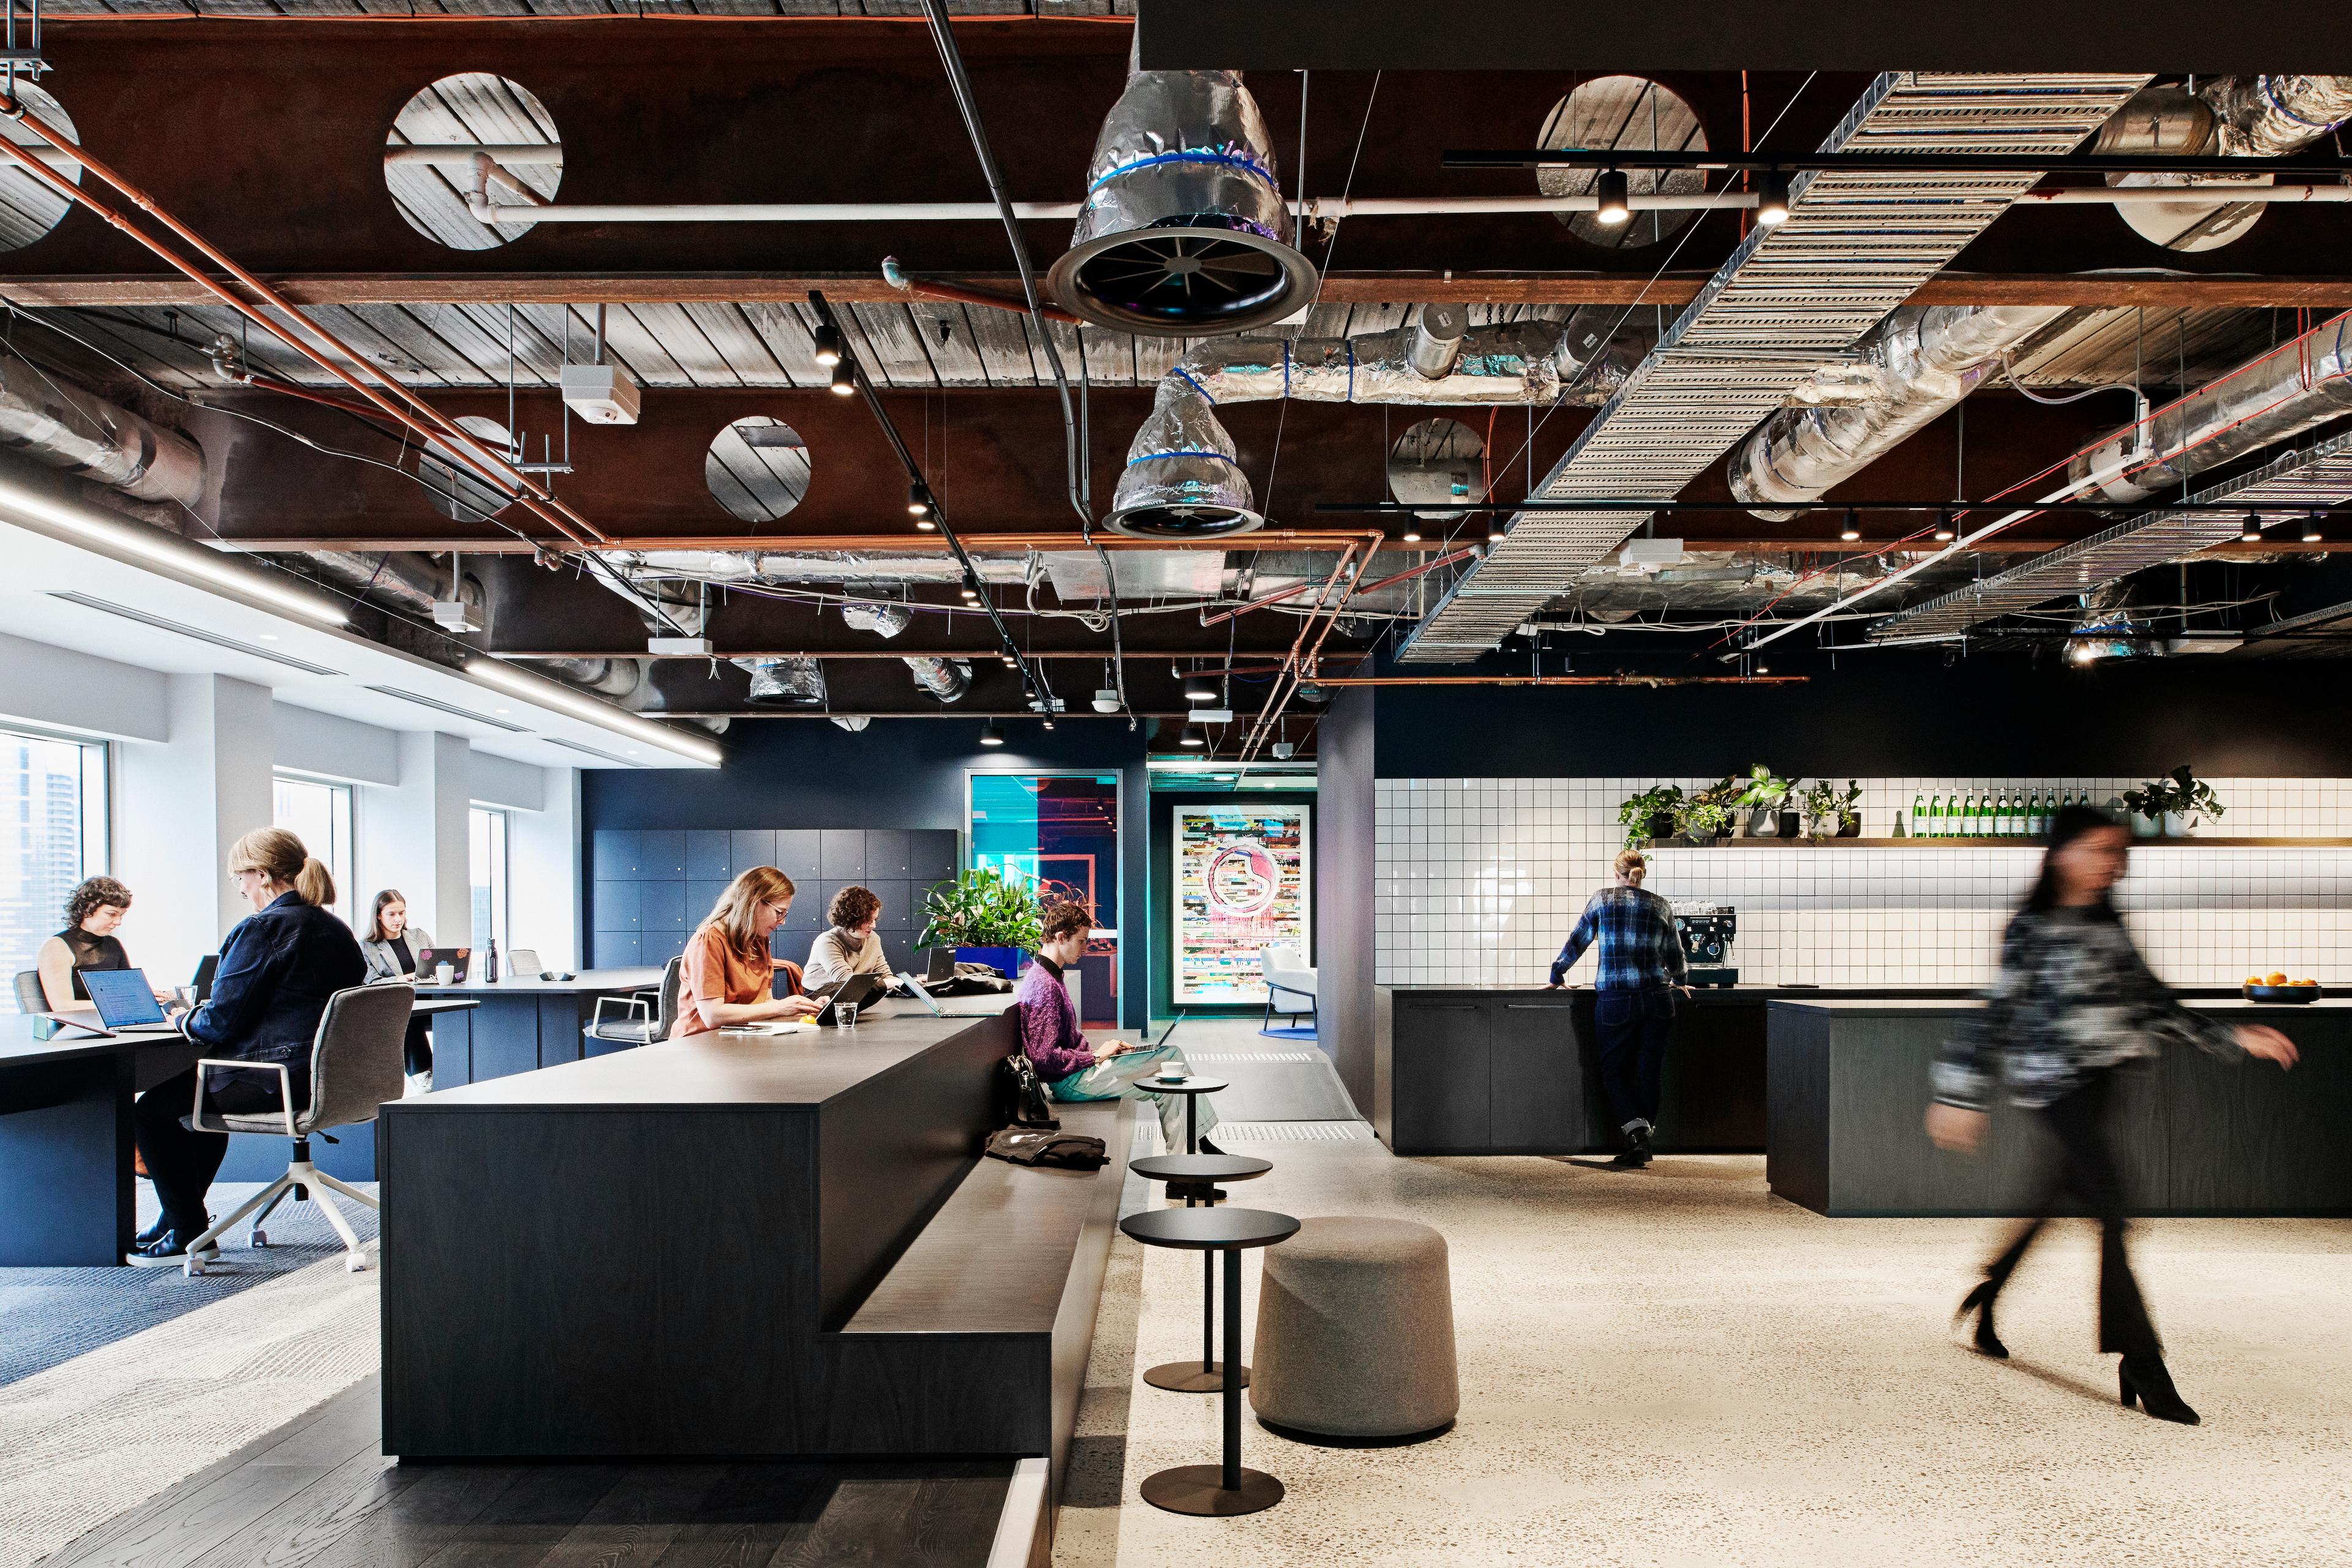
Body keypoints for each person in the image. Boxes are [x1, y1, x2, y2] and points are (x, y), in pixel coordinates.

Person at [1928, 804, 2301, 1425]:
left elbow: (2153, 1002)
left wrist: (2232, 1037)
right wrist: (1958, 1093)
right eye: (2101, 850)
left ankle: (1988, 1292)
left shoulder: (2107, 923)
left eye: (2117, 853)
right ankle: (2141, 1359)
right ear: (2062, 854)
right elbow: (1994, 1014)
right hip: (2054, 1088)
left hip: (2103, 1083)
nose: (2112, 864)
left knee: (2063, 1192)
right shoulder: (2033, 927)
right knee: (2113, 1209)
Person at [127, 828, 368, 1265]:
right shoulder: (335, 928)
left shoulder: (264, 928)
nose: (239, 888)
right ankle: (181, 1220)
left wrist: (180, 1019)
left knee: (152, 1112)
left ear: (261, 874)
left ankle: (188, 1231)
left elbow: (220, 1021)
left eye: (240, 877)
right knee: (192, 1108)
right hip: (327, 1077)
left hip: (274, 1076)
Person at [1017, 902, 1219, 1155]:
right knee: (1170, 1058)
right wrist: (1095, 1056)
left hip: (1081, 1073)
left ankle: (1188, 1158)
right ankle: (1197, 1149)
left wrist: (1102, 1053)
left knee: (1170, 1077)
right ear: (1061, 938)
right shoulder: (1044, 986)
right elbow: (1043, 1058)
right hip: (1073, 1082)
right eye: (1081, 941)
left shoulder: (1049, 977)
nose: (1086, 948)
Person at [1547, 848, 1691, 1168]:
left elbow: (1578, 941)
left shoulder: (1602, 900)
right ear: (1641, 875)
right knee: (1648, 1073)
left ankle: (1637, 1139)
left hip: (1616, 1000)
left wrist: (1558, 974)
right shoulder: (1661, 905)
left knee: (1615, 1071)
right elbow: (1674, 954)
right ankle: (1643, 1138)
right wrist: (1680, 980)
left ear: (1617, 874)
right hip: (1657, 999)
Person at [669, 866, 825, 1039]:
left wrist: (804, 1008)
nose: (782, 922)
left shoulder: (759, 940)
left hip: (738, 1037)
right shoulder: (709, 940)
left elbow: (764, 1003)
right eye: (779, 912)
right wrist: (781, 1007)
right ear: (753, 902)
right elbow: (712, 1016)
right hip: (699, 1043)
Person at [36, 875, 167, 1014]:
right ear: (87, 909)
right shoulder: (57, 946)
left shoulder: (113, 944)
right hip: (77, 1028)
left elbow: (128, 992)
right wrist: (126, 1001)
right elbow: (62, 1006)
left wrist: (145, 996)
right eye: (112, 914)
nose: (118, 922)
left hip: (115, 1023)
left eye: (122, 915)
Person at [360, 889, 435, 1093]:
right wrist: (399, 980)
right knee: (405, 1014)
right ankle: (426, 1073)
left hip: (429, 999)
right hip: (396, 1004)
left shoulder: (419, 937)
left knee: (459, 1012)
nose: (398, 919)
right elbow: (371, 982)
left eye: (401, 913)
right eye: (392, 914)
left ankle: (455, 1067)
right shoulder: (367, 947)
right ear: (378, 915)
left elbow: (437, 966)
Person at [803, 885, 891, 993]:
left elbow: (885, 975)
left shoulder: (873, 939)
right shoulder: (827, 942)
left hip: (858, 993)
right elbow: (846, 983)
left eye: (874, 920)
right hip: (820, 996)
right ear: (852, 919)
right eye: (868, 920)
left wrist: (910, 983)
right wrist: (892, 983)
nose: (873, 926)